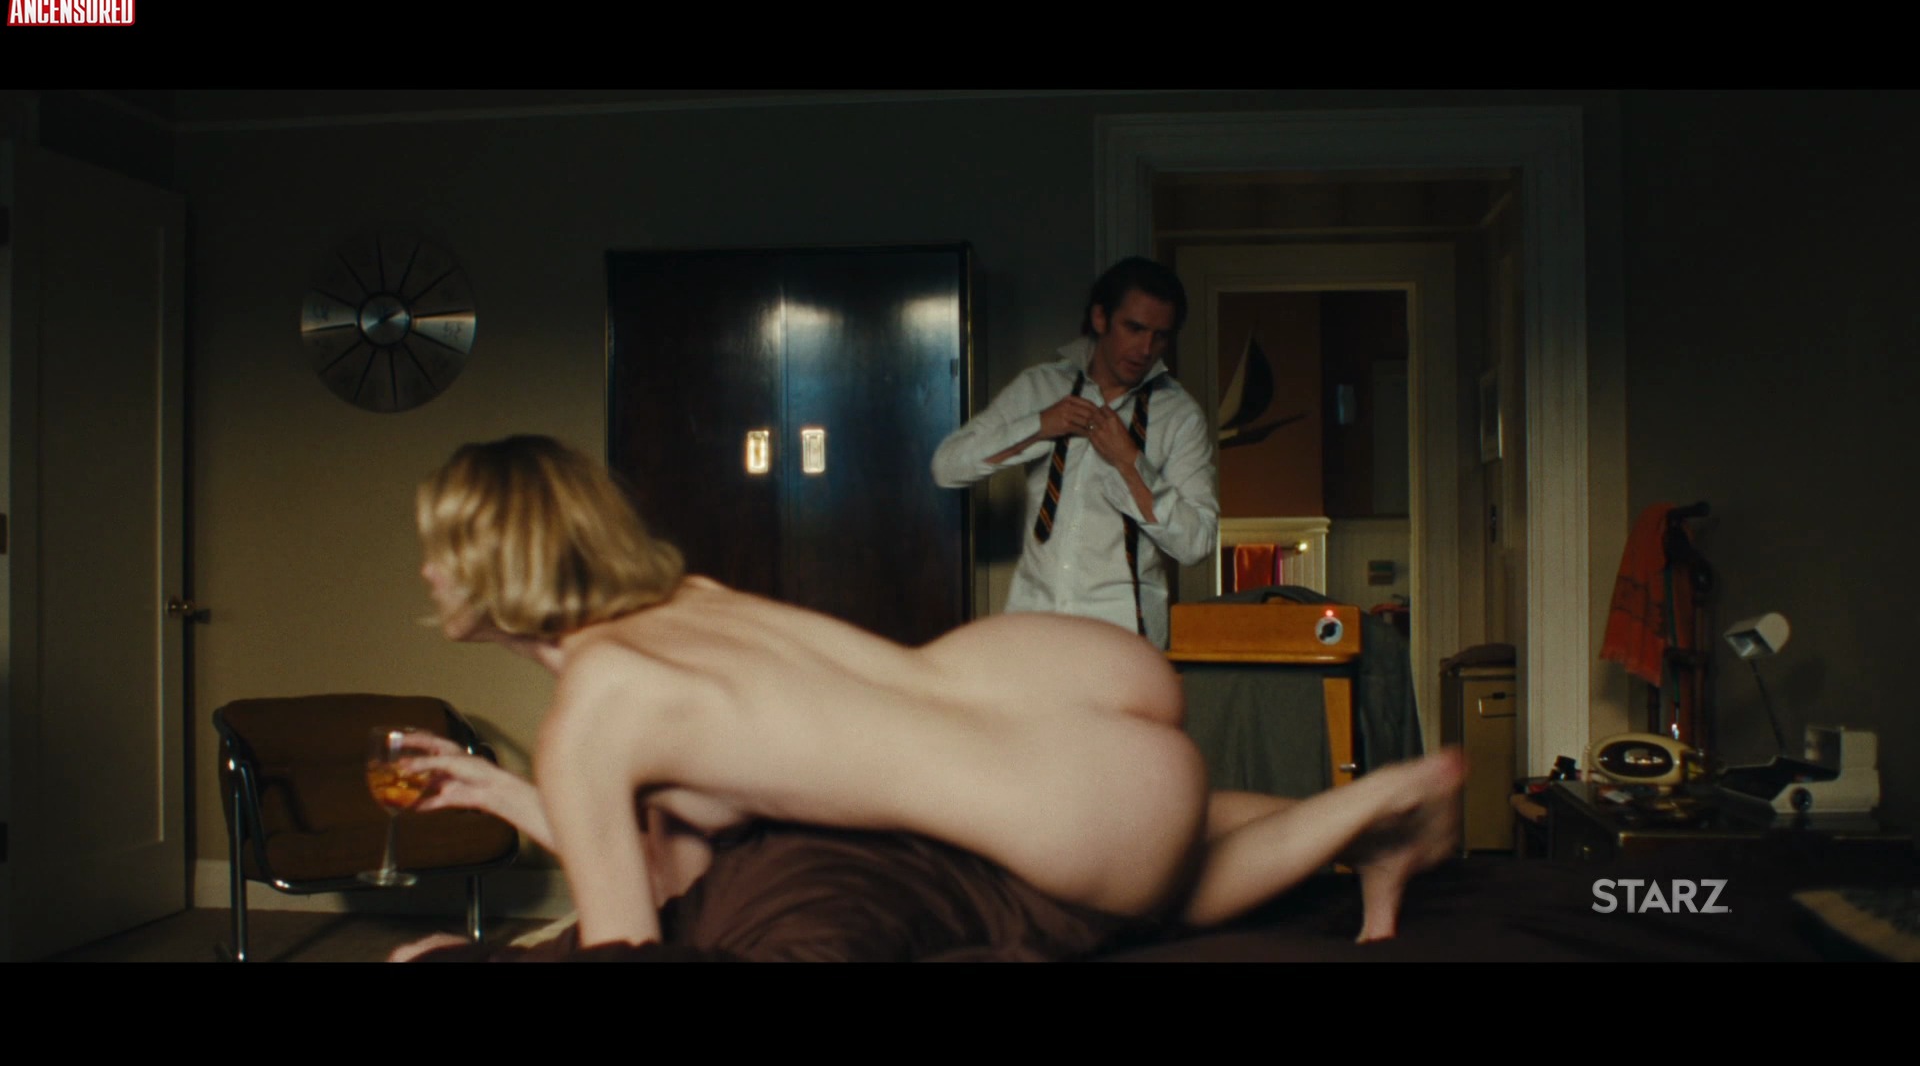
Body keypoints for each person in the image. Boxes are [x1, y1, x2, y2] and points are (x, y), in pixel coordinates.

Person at [400, 434, 1460, 956]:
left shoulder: (590, 715)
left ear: (497, 561)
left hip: (1061, 791)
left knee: (1157, 886)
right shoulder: (686, 602)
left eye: (440, 551)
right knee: (1167, 825)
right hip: (1038, 671)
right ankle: (1368, 824)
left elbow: (629, 947)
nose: (428, 575)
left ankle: (1377, 805)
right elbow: (680, 862)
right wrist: (512, 798)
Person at [930, 256, 1217, 649]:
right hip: (1034, 630)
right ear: (1100, 318)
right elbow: (947, 467)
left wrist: (1131, 463)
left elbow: (1197, 542)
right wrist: (1038, 426)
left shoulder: (1180, 416)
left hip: (1122, 639)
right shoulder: (1039, 387)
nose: (1146, 349)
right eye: (1134, 328)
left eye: (1160, 336)